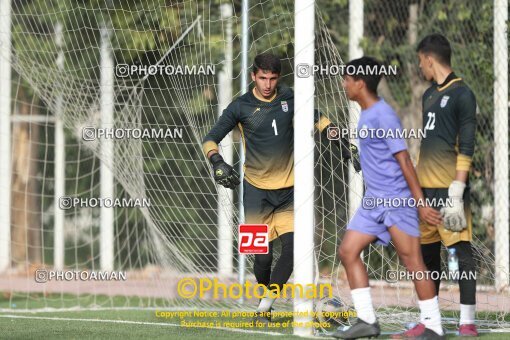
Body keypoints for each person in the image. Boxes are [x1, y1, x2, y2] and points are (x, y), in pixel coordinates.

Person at [202, 52, 359, 324]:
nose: (267, 84)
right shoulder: (240, 107)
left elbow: (321, 121)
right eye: (262, 78)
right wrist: (217, 162)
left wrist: (344, 144)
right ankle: (266, 300)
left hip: (289, 192)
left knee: (294, 248)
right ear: (253, 76)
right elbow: (210, 139)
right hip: (255, 193)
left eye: (273, 78)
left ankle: (264, 307)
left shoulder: (290, 98)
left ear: (278, 78)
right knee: (261, 259)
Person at [332, 56, 445, 339]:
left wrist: (419, 203)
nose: (344, 83)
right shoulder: (366, 114)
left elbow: (404, 160)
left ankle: (433, 326)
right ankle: (367, 321)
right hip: (373, 201)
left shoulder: (383, 114)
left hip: (396, 200)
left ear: (359, 83)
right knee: (347, 251)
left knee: (413, 262)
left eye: (347, 79)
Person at [416, 33, 478, 337]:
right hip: (425, 192)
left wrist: (457, 190)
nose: (420, 67)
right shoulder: (427, 95)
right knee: (426, 257)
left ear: (429, 58)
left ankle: (468, 321)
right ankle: (430, 321)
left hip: (449, 190)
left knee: (460, 254)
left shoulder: (463, 94)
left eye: (420, 61)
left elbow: (467, 145)